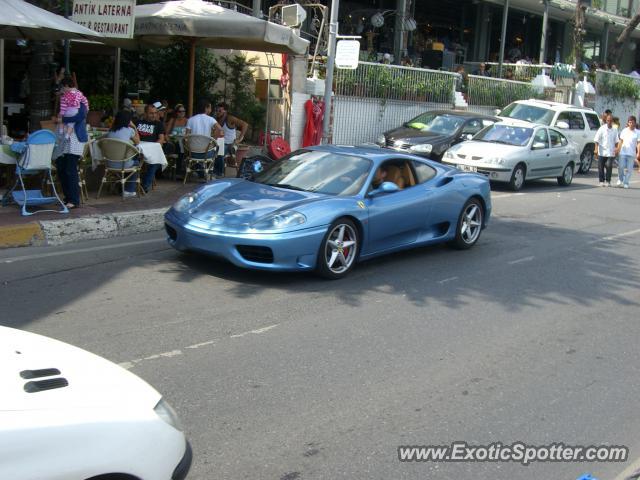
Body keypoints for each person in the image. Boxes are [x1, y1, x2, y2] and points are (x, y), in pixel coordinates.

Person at [56, 102, 88, 209]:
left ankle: (74, 200)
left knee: (70, 170)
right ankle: (67, 197)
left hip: (74, 142)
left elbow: (79, 117)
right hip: (62, 142)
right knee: (61, 169)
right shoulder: (63, 105)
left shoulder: (80, 105)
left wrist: (63, 120)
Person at [106, 110, 141, 197]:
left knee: (129, 159)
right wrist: (135, 127)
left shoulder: (111, 131)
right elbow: (138, 142)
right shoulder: (129, 130)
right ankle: (129, 190)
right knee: (136, 162)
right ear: (128, 121)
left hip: (109, 164)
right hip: (123, 164)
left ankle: (121, 185)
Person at [186, 99, 223, 177]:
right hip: (206, 154)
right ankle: (209, 172)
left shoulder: (191, 119)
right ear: (206, 108)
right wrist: (214, 139)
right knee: (217, 150)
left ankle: (200, 172)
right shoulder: (210, 119)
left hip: (192, 153)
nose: (211, 109)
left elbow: (186, 136)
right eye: (210, 107)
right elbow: (220, 129)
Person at [135, 103, 166, 192]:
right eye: (151, 113)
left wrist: (152, 147)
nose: (154, 115)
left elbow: (161, 139)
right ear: (145, 114)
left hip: (151, 151)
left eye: (155, 113)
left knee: (155, 162)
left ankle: (144, 186)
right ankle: (129, 184)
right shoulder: (137, 123)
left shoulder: (158, 124)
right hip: (137, 150)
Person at [215, 102, 249, 175]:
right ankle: (211, 171)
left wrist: (239, 139)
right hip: (220, 142)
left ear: (225, 111)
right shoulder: (217, 119)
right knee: (210, 150)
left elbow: (245, 125)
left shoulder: (230, 118)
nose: (217, 112)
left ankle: (219, 172)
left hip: (229, 144)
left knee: (219, 151)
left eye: (219, 111)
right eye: (217, 110)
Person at [594, 112, 619, 187]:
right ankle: (601, 181)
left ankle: (608, 181)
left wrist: (616, 149)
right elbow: (596, 140)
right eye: (608, 120)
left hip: (610, 152)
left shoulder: (615, 130)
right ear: (606, 120)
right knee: (600, 166)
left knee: (609, 165)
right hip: (601, 151)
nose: (609, 122)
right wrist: (595, 149)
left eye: (611, 120)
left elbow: (617, 141)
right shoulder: (602, 128)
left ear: (612, 121)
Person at [615, 115, 639, 189]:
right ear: (628, 123)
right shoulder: (624, 130)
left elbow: (638, 144)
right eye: (630, 122)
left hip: (631, 154)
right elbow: (620, 141)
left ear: (635, 123)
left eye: (633, 122)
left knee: (629, 169)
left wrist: (638, 153)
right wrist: (617, 150)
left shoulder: (638, 132)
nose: (631, 124)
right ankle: (620, 179)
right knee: (621, 167)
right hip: (623, 152)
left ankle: (626, 182)